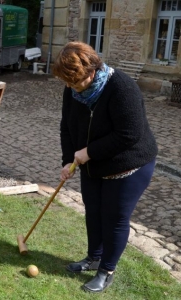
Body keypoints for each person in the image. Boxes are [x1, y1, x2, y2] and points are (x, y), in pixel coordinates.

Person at [53, 41, 158, 293]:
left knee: (114, 218)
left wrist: (87, 152)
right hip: (92, 166)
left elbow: (129, 134)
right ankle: (93, 258)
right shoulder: (73, 90)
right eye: (68, 83)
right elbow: (66, 126)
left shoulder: (121, 87)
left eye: (75, 82)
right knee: (93, 212)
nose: (71, 88)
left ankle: (107, 269)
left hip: (128, 165)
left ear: (91, 71)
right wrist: (69, 159)